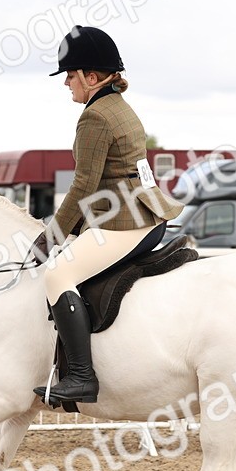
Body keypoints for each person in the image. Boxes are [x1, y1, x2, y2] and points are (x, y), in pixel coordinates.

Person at [31, 26, 184, 404]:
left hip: (126, 222)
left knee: (57, 273)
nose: (67, 82)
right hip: (143, 214)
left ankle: (82, 376)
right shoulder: (119, 108)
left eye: (70, 74)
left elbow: (83, 185)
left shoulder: (95, 117)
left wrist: (51, 237)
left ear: (91, 77)